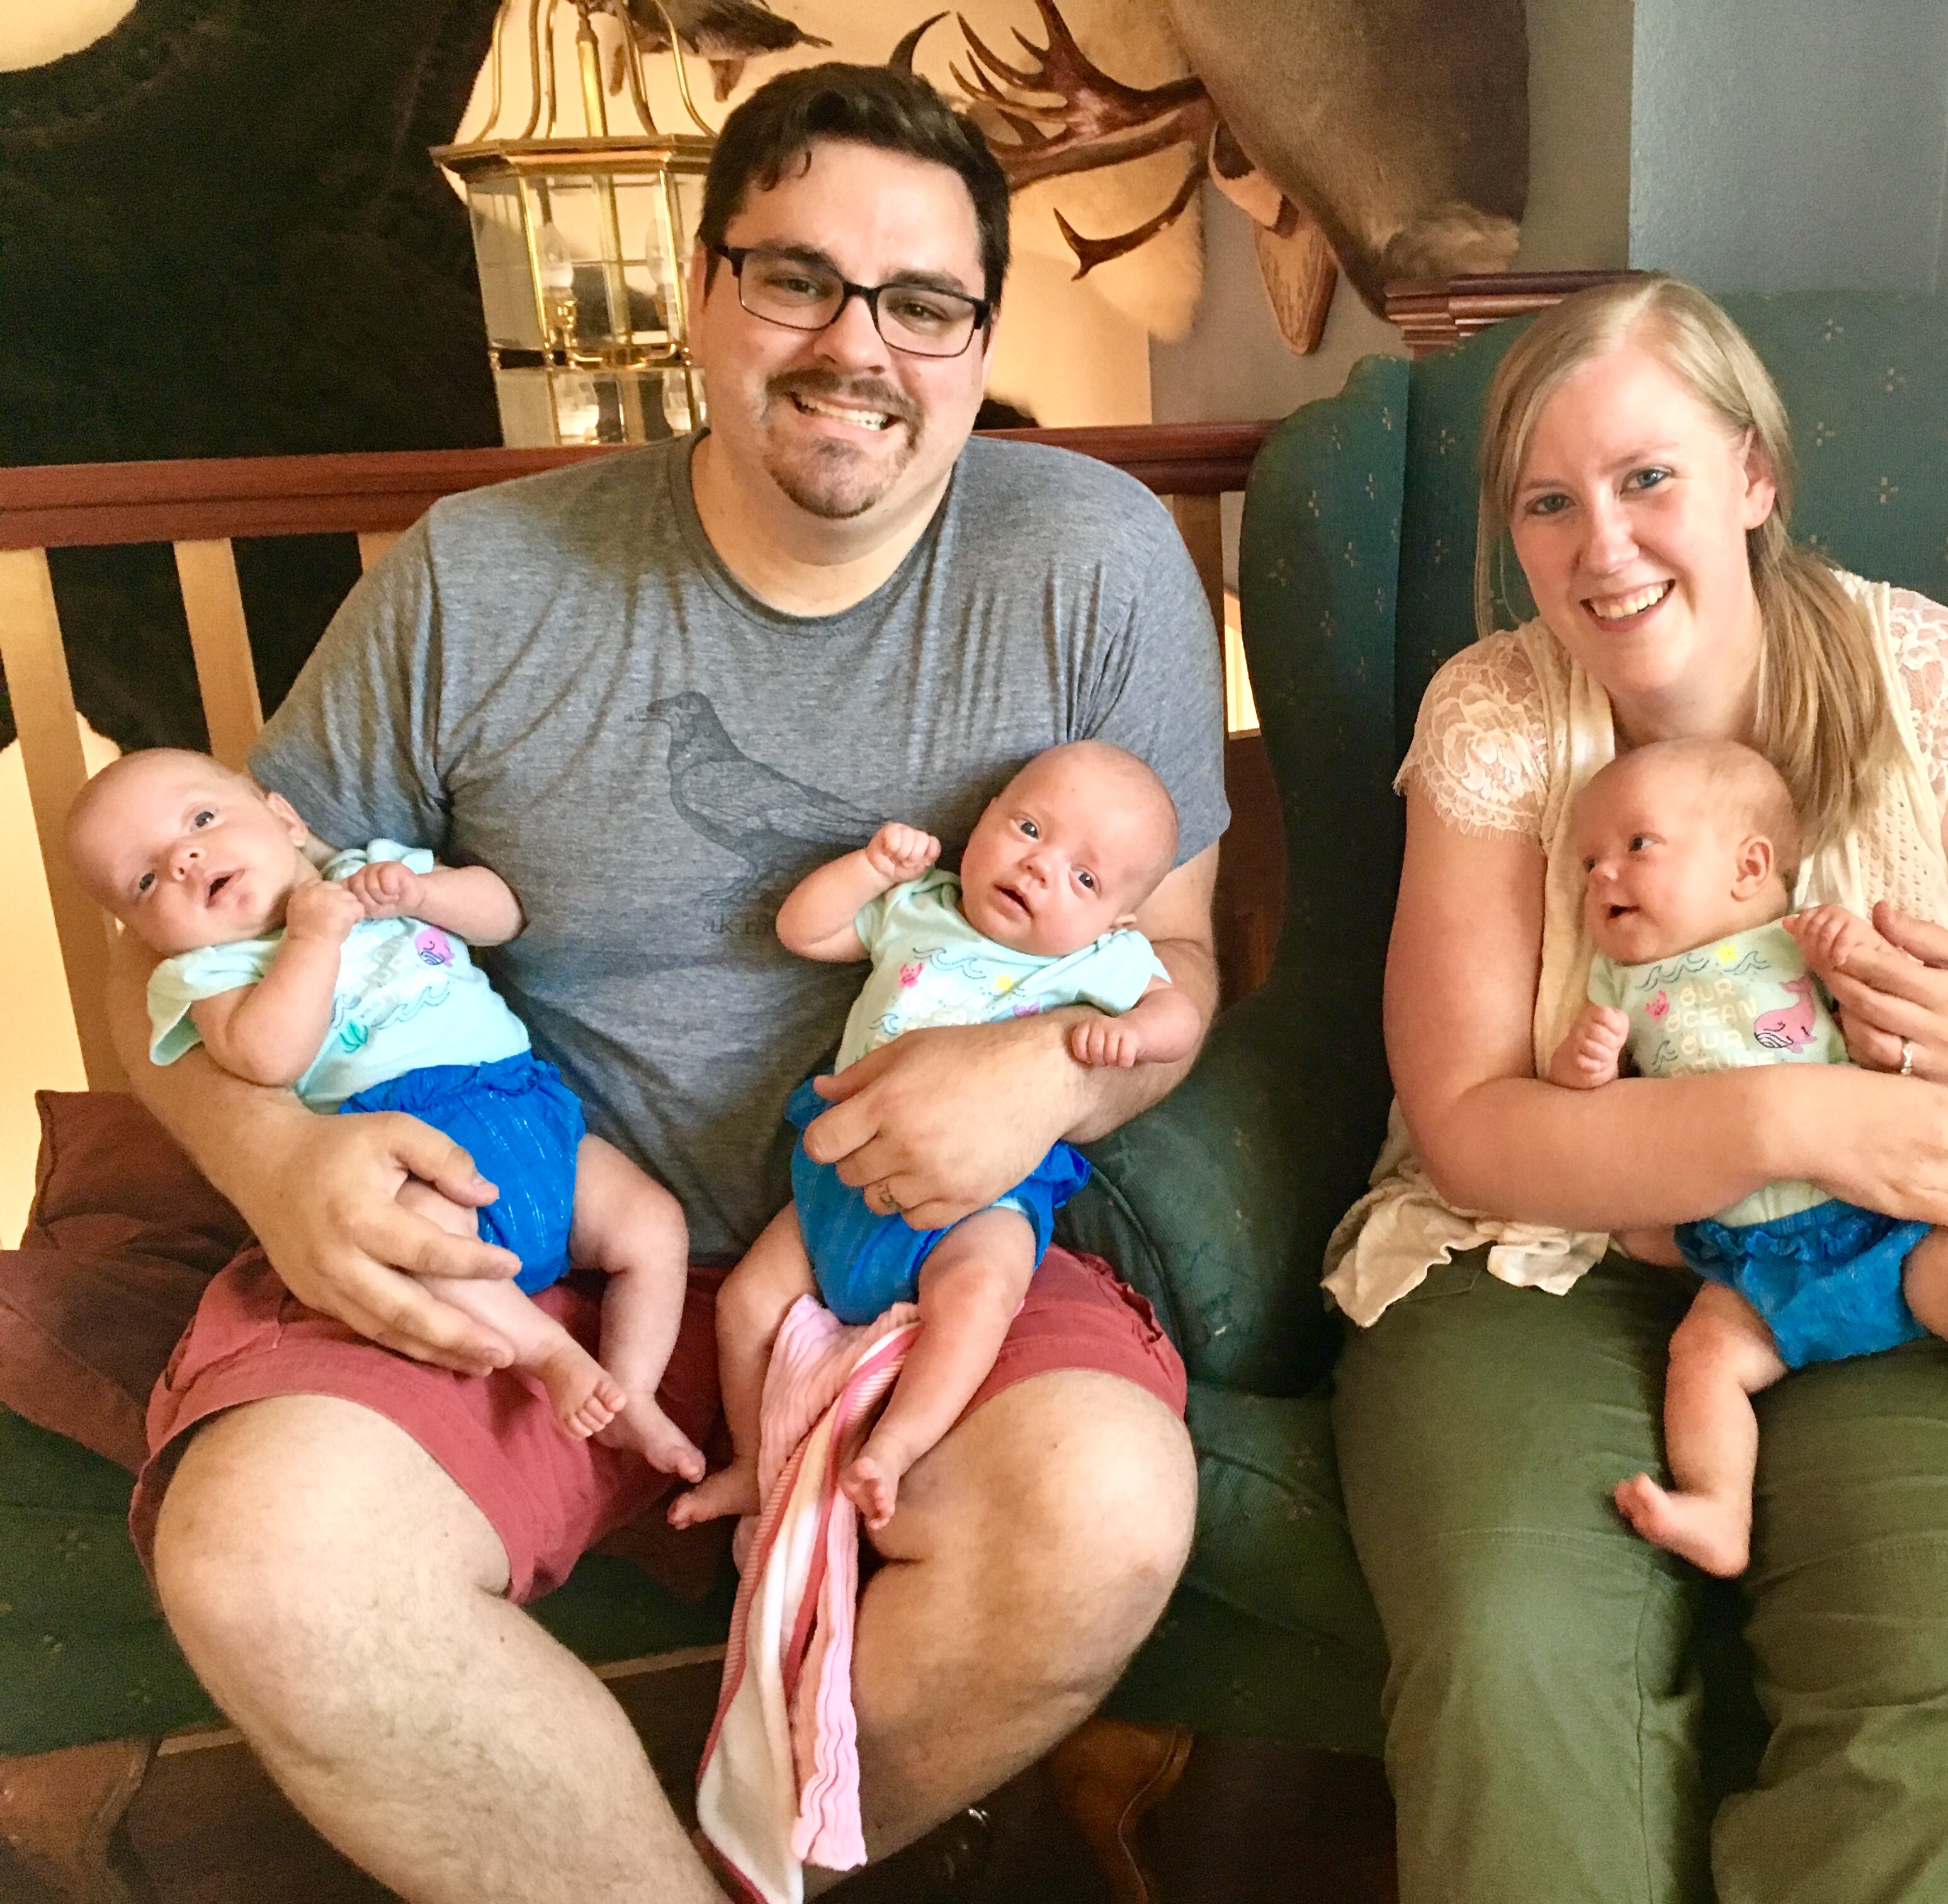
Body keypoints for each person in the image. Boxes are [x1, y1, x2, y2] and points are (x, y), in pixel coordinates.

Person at [113, 62, 1223, 1903]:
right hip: (526, 1234)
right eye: (797, 279)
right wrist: (280, 1166)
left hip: (915, 1246)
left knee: (1103, 1523)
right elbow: (178, 966)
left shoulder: (1094, 562)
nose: (856, 347)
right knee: (268, 1561)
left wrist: (1046, 1077)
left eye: (922, 302)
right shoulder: (478, 581)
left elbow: (1173, 964)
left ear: (980, 340)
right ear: (703, 292)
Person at [1321, 273, 1948, 1903]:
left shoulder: (1922, 678)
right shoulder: (1498, 712)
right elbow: (1473, 1126)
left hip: (1903, 1253)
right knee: (1514, 1645)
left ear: (1754, 475)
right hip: (1548, 1250)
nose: (1602, 546)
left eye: (1649, 479)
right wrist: (1790, 1117)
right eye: (1548, 503)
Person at [1541, 737, 1948, 1577]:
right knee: (1702, 1360)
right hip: (1752, 1265)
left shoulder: (1799, 942)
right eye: (1589, 862)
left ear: (1749, 867)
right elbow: (1592, 1112)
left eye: (1637, 845)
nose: (1602, 875)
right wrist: (1586, 1066)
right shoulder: (1619, 984)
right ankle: (1718, 1506)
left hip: (1889, 1224)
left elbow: (1894, 1039)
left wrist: (1850, 965)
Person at [69, 748, 704, 1474]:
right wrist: (311, 937)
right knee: (422, 1239)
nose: (183, 859)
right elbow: (266, 1058)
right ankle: (550, 1354)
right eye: (146, 880)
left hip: (525, 1104)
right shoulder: (212, 972)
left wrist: (423, 894)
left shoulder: (372, 870)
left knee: (653, 1223)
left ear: (286, 820)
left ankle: (634, 1390)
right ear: (146, 935)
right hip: (409, 1148)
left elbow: (501, 915)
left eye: (202, 819)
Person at [675, 740, 1201, 1533]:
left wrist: (1135, 1035)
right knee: (747, 1303)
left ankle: (894, 1446)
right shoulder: (920, 906)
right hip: (841, 1173)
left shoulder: (1102, 962)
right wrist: (870, 870)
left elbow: (1180, 1016)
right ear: (983, 817)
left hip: (983, 1200)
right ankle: (754, 1462)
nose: (1040, 867)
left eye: (1085, 879)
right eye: (1028, 829)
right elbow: (803, 930)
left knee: (979, 1297)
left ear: (1119, 919)